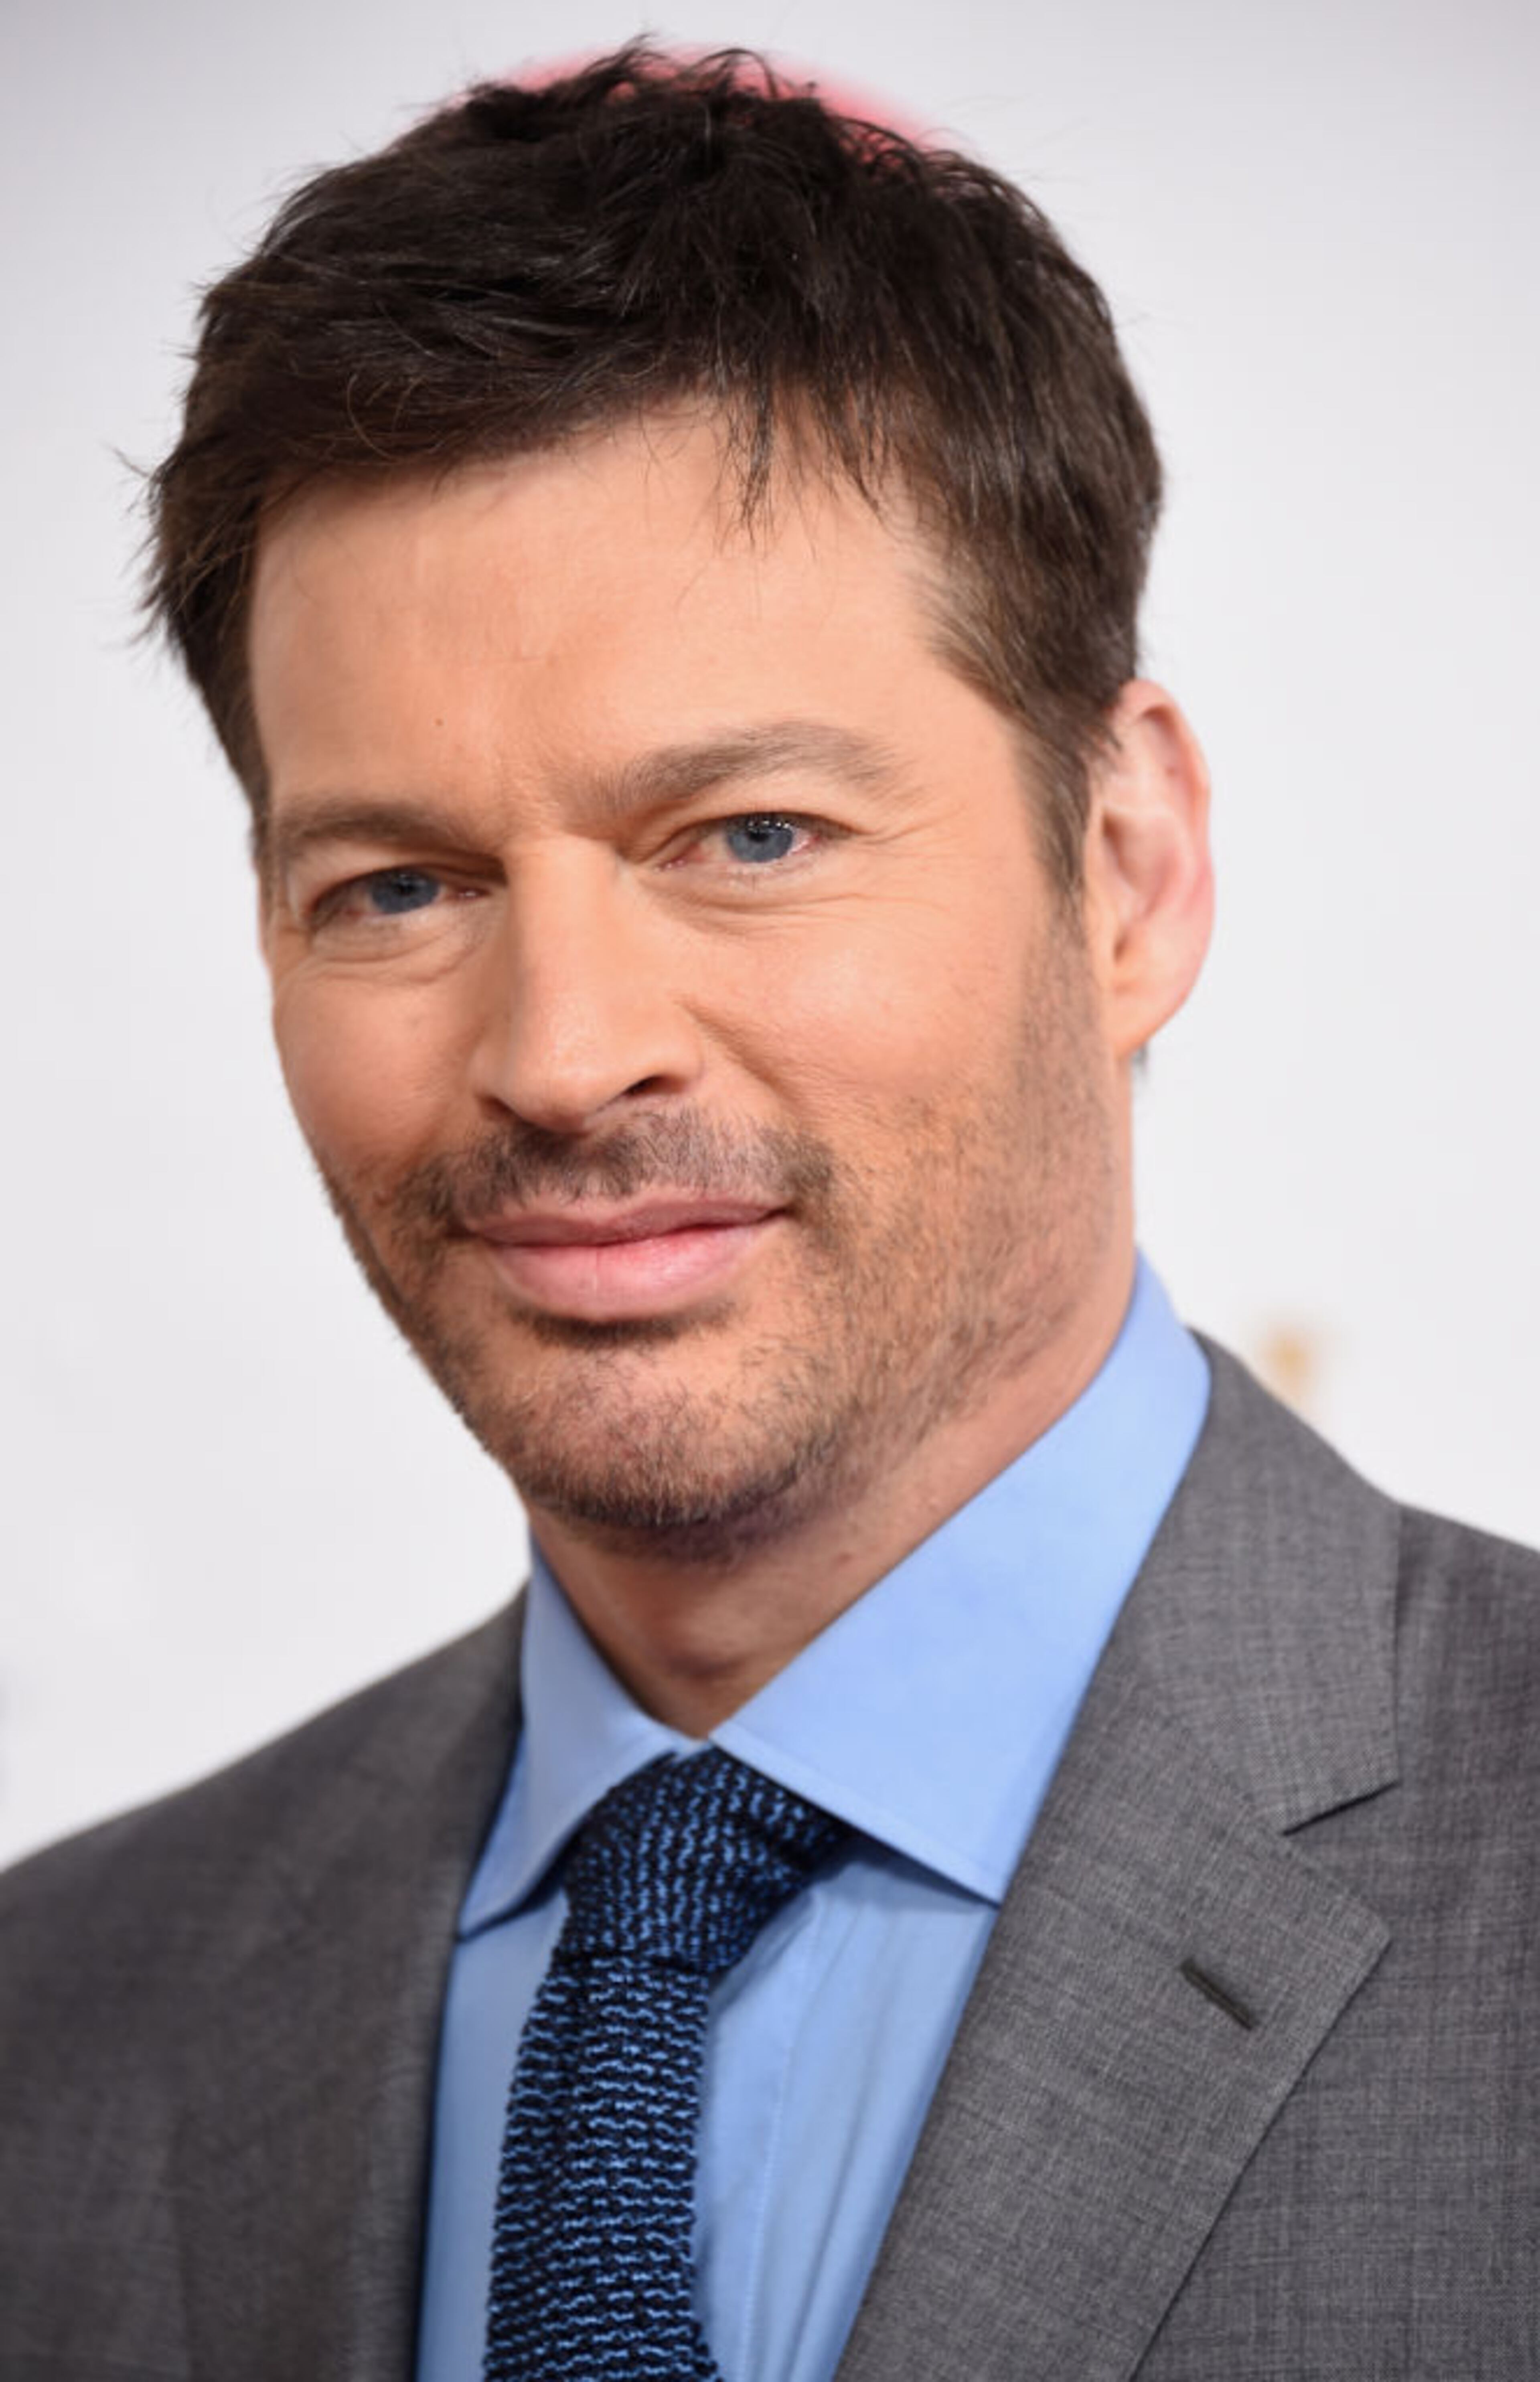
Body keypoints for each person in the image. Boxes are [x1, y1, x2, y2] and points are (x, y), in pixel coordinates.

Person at [2, 43, 1536, 2382]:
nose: (558, 1048)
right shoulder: (56, 2028)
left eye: (747, 836)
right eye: (400, 882)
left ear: (1122, 872)